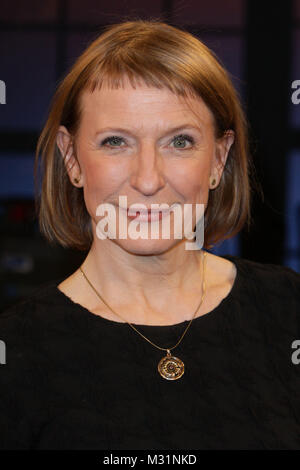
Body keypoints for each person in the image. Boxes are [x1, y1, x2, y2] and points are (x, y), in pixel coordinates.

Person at [0, 19, 300, 450]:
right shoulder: (15, 351)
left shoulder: (287, 310)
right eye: (115, 142)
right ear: (72, 159)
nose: (147, 179)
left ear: (219, 159)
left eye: (179, 142)